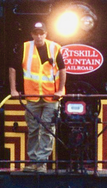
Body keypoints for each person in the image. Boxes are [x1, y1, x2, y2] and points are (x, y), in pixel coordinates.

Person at [9, 22, 66, 172]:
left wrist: (60, 90)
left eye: (41, 33)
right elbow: (13, 68)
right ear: (32, 34)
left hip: (51, 97)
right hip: (32, 96)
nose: (39, 36)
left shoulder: (55, 47)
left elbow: (63, 69)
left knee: (47, 128)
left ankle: (41, 164)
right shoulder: (25, 47)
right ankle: (34, 161)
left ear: (46, 34)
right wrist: (13, 89)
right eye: (36, 33)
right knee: (33, 129)